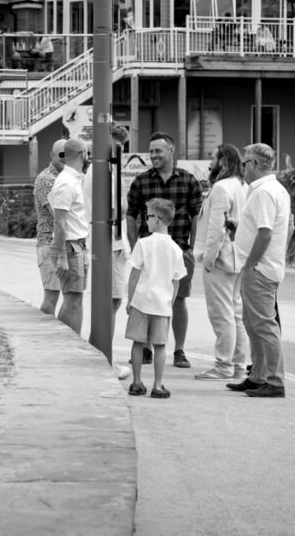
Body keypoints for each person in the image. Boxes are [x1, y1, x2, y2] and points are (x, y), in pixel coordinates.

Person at [126, 132, 202, 368]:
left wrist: (191, 247)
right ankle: (146, 348)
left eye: (158, 151)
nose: (153, 155)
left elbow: (196, 215)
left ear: (171, 151)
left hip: (178, 248)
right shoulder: (141, 181)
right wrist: (134, 245)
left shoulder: (189, 181)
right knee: (146, 297)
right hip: (148, 250)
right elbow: (131, 216)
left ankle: (179, 350)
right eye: (151, 152)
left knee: (178, 299)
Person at [227, 143, 293, 398]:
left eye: (245, 163)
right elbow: (287, 227)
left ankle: (274, 381)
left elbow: (265, 233)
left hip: (260, 268)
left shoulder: (264, 192)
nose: (243, 167)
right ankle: (258, 376)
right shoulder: (275, 190)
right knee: (253, 323)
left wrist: (252, 263)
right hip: (265, 267)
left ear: (254, 164)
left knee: (263, 325)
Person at [193, 144, 249, 380]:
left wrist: (209, 258)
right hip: (238, 258)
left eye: (212, 159)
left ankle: (223, 365)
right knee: (235, 313)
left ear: (223, 162)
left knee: (221, 313)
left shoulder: (221, 188)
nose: (209, 164)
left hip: (220, 259)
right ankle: (238, 365)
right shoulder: (243, 186)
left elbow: (216, 229)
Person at [83, 124, 132, 380]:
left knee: (110, 302)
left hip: (112, 242)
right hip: (110, 244)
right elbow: (119, 208)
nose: (120, 151)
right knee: (110, 302)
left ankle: (101, 354)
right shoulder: (103, 171)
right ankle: (104, 357)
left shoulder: (103, 169)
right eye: (119, 146)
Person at [125, 198, 186, 399]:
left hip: (141, 302)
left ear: (158, 219)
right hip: (162, 305)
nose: (145, 220)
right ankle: (158, 385)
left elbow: (134, 274)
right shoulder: (176, 250)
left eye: (148, 216)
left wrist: (130, 299)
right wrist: (170, 301)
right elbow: (176, 281)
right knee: (160, 345)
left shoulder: (143, 244)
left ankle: (136, 382)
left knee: (137, 343)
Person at [49, 137, 90, 334]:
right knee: (71, 299)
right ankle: (65, 341)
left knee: (77, 298)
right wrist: (62, 257)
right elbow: (59, 221)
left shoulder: (74, 179)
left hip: (78, 245)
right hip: (70, 246)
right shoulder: (66, 182)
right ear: (83, 154)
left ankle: (76, 341)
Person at [33, 138, 67, 316]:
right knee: (52, 296)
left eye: (68, 154)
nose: (65, 157)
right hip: (50, 243)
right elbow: (58, 214)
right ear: (52, 155)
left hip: (66, 243)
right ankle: (45, 334)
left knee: (70, 298)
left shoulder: (68, 178)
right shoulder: (46, 179)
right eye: (61, 154)